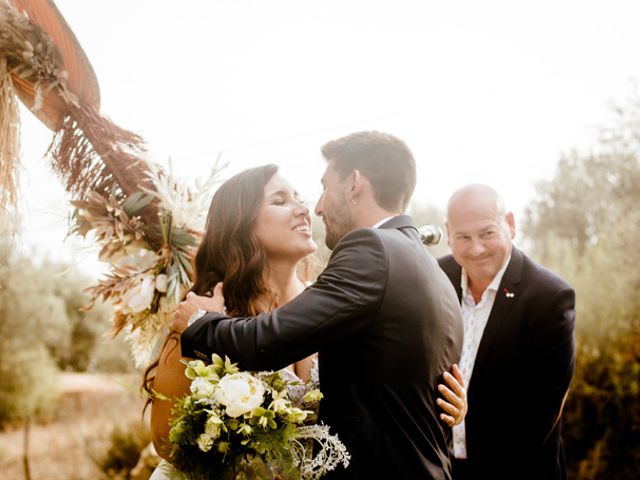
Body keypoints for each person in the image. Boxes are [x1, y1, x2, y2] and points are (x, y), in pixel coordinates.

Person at [171, 131, 465, 479]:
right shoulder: (435, 270)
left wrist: (201, 322)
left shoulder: (371, 247)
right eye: (282, 200)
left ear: (354, 183)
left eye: (324, 187)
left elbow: (268, 340)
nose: (318, 207)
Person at [438, 184, 576, 480]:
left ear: (510, 225)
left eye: (487, 233)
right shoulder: (434, 279)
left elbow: (540, 414)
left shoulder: (550, 297)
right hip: (441, 468)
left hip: (516, 470)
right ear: (448, 233)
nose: (476, 249)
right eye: (463, 236)